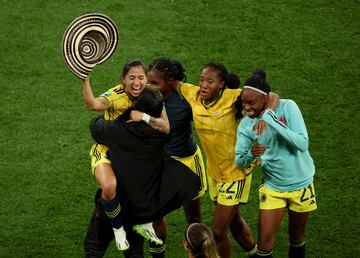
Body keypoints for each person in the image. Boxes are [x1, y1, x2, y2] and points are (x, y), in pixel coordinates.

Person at [171, 62, 279, 258]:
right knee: (234, 220)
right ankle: (257, 255)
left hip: (235, 172)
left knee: (218, 232)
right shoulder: (193, 94)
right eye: (202, 79)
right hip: (215, 174)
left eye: (210, 81)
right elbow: (173, 83)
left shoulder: (233, 97)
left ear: (221, 84)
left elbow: (271, 96)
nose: (203, 84)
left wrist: (266, 117)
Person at [86, 87, 201, 257]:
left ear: (137, 107)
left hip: (114, 206)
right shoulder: (162, 135)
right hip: (140, 212)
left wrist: (124, 110)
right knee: (135, 252)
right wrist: (153, 110)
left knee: (93, 250)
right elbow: (165, 125)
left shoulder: (117, 130)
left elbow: (95, 124)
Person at [82, 59, 169, 252]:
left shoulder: (151, 95)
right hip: (108, 151)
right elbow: (92, 105)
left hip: (132, 156)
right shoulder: (116, 94)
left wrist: (144, 117)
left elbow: (166, 126)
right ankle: (118, 229)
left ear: (146, 79)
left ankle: (145, 223)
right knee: (109, 185)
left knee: (148, 183)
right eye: (131, 78)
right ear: (123, 80)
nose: (136, 82)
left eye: (140, 77)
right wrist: (85, 79)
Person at [124, 57, 208, 257]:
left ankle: (200, 254)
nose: (150, 87)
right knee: (155, 215)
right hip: (161, 163)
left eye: (155, 83)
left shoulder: (186, 101)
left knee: (194, 216)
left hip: (187, 161)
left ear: (170, 81)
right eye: (149, 82)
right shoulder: (146, 98)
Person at [234, 70, 317, 258]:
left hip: (301, 183)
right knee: (264, 245)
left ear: (265, 99)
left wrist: (270, 119)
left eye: (251, 103)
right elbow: (239, 160)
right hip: (274, 187)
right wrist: (251, 153)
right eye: (244, 103)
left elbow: (302, 144)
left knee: (297, 238)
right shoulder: (246, 125)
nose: (246, 108)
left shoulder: (288, 107)